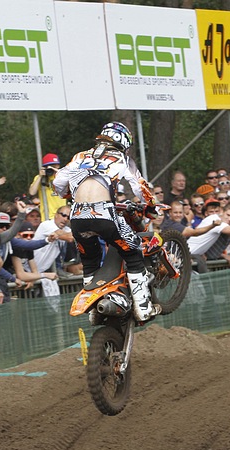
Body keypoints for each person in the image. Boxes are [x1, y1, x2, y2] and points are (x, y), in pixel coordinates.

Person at [53, 121, 160, 322]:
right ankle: (144, 308)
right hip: (104, 215)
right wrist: (151, 205)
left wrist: (66, 194)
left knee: (90, 261)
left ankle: (94, 313)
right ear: (124, 142)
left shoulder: (80, 156)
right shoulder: (122, 158)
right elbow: (140, 187)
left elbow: (58, 182)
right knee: (133, 251)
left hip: (77, 218)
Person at [32, 205, 75, 274]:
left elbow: (74, 237)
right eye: (63, 215)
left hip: (43, 271)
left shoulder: (66, 229)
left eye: (69, 217)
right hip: (30, 268)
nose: (65, 219)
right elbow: (69, 238)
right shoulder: (47, 225)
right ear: (56, 215)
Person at [28, 153, 66, 221]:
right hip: (47, 216)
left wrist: (57, 171)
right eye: (50, 166)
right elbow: (32, 192)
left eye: (54, 166)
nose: (51, 169)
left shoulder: (62, 176)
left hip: (62, 216)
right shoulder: (40, 178)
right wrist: (40, 176)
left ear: (58, 166)